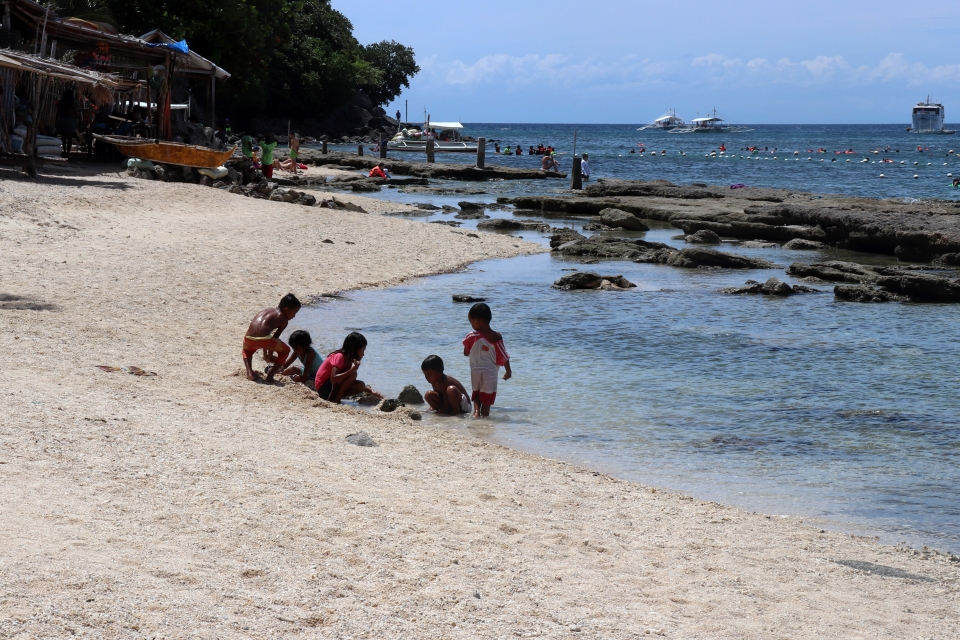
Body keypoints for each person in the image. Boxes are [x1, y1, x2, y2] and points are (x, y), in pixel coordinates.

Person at [463, 303, 511, 417]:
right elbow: (503, 354)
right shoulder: (496, 336)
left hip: (475, 371)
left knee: (477, 394)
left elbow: (466, 352)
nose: (471, 324)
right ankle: (485, 421)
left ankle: (476, 413)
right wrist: (508, 371)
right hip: (490, 373)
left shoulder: (471, 336)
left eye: (471, 322)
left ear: (477, 321)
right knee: (487, 399)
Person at [242, 293, 301, 382]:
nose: (294, 316)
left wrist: (265, 354)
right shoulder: (284, 320)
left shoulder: (267, 310)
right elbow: (274, 338)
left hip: (248, 338)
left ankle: (250, 373)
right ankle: (270, 376)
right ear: (286, 309)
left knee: (247, 351)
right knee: (286, 351)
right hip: (265, 340)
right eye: (294, 313)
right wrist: (269, 356)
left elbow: (264, 335)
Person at [314, 332, 382, 403]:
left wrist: (371, 391)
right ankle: (336, 400)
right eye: (363, 350)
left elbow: (346, 381)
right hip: (323, 388)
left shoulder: (348, 359)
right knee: (353, 374)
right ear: (355, 349)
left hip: (328, 387)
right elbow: (333, 379)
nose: (363, 354)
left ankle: (335, 398)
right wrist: (351, 370)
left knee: (360, 385)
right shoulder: (339, 356)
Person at [55, 89, 80, 160]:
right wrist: (79, 118)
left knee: (63, 137)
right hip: (69, 121)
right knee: (69, 138)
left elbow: (58, 113)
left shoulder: (60, 102)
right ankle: (68, 153)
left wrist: (56, 121)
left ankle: (65, 151)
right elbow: (75, 112)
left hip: (62, 120)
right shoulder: (72, 103)